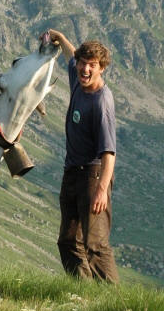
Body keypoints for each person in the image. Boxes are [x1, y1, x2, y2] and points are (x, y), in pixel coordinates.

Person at [48, 29, 119, 283]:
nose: (85, 69)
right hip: (72, 173)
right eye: (82, 63)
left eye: (92, 65)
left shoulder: (102, 103)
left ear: (102, 69)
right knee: (68, 241)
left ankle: (117, 306)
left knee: (95, 245)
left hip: (93, 174)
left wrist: (101, 190)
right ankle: (85, 293)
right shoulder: (78, 80)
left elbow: (109, 153)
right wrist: (59, 36)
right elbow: (70, 52)